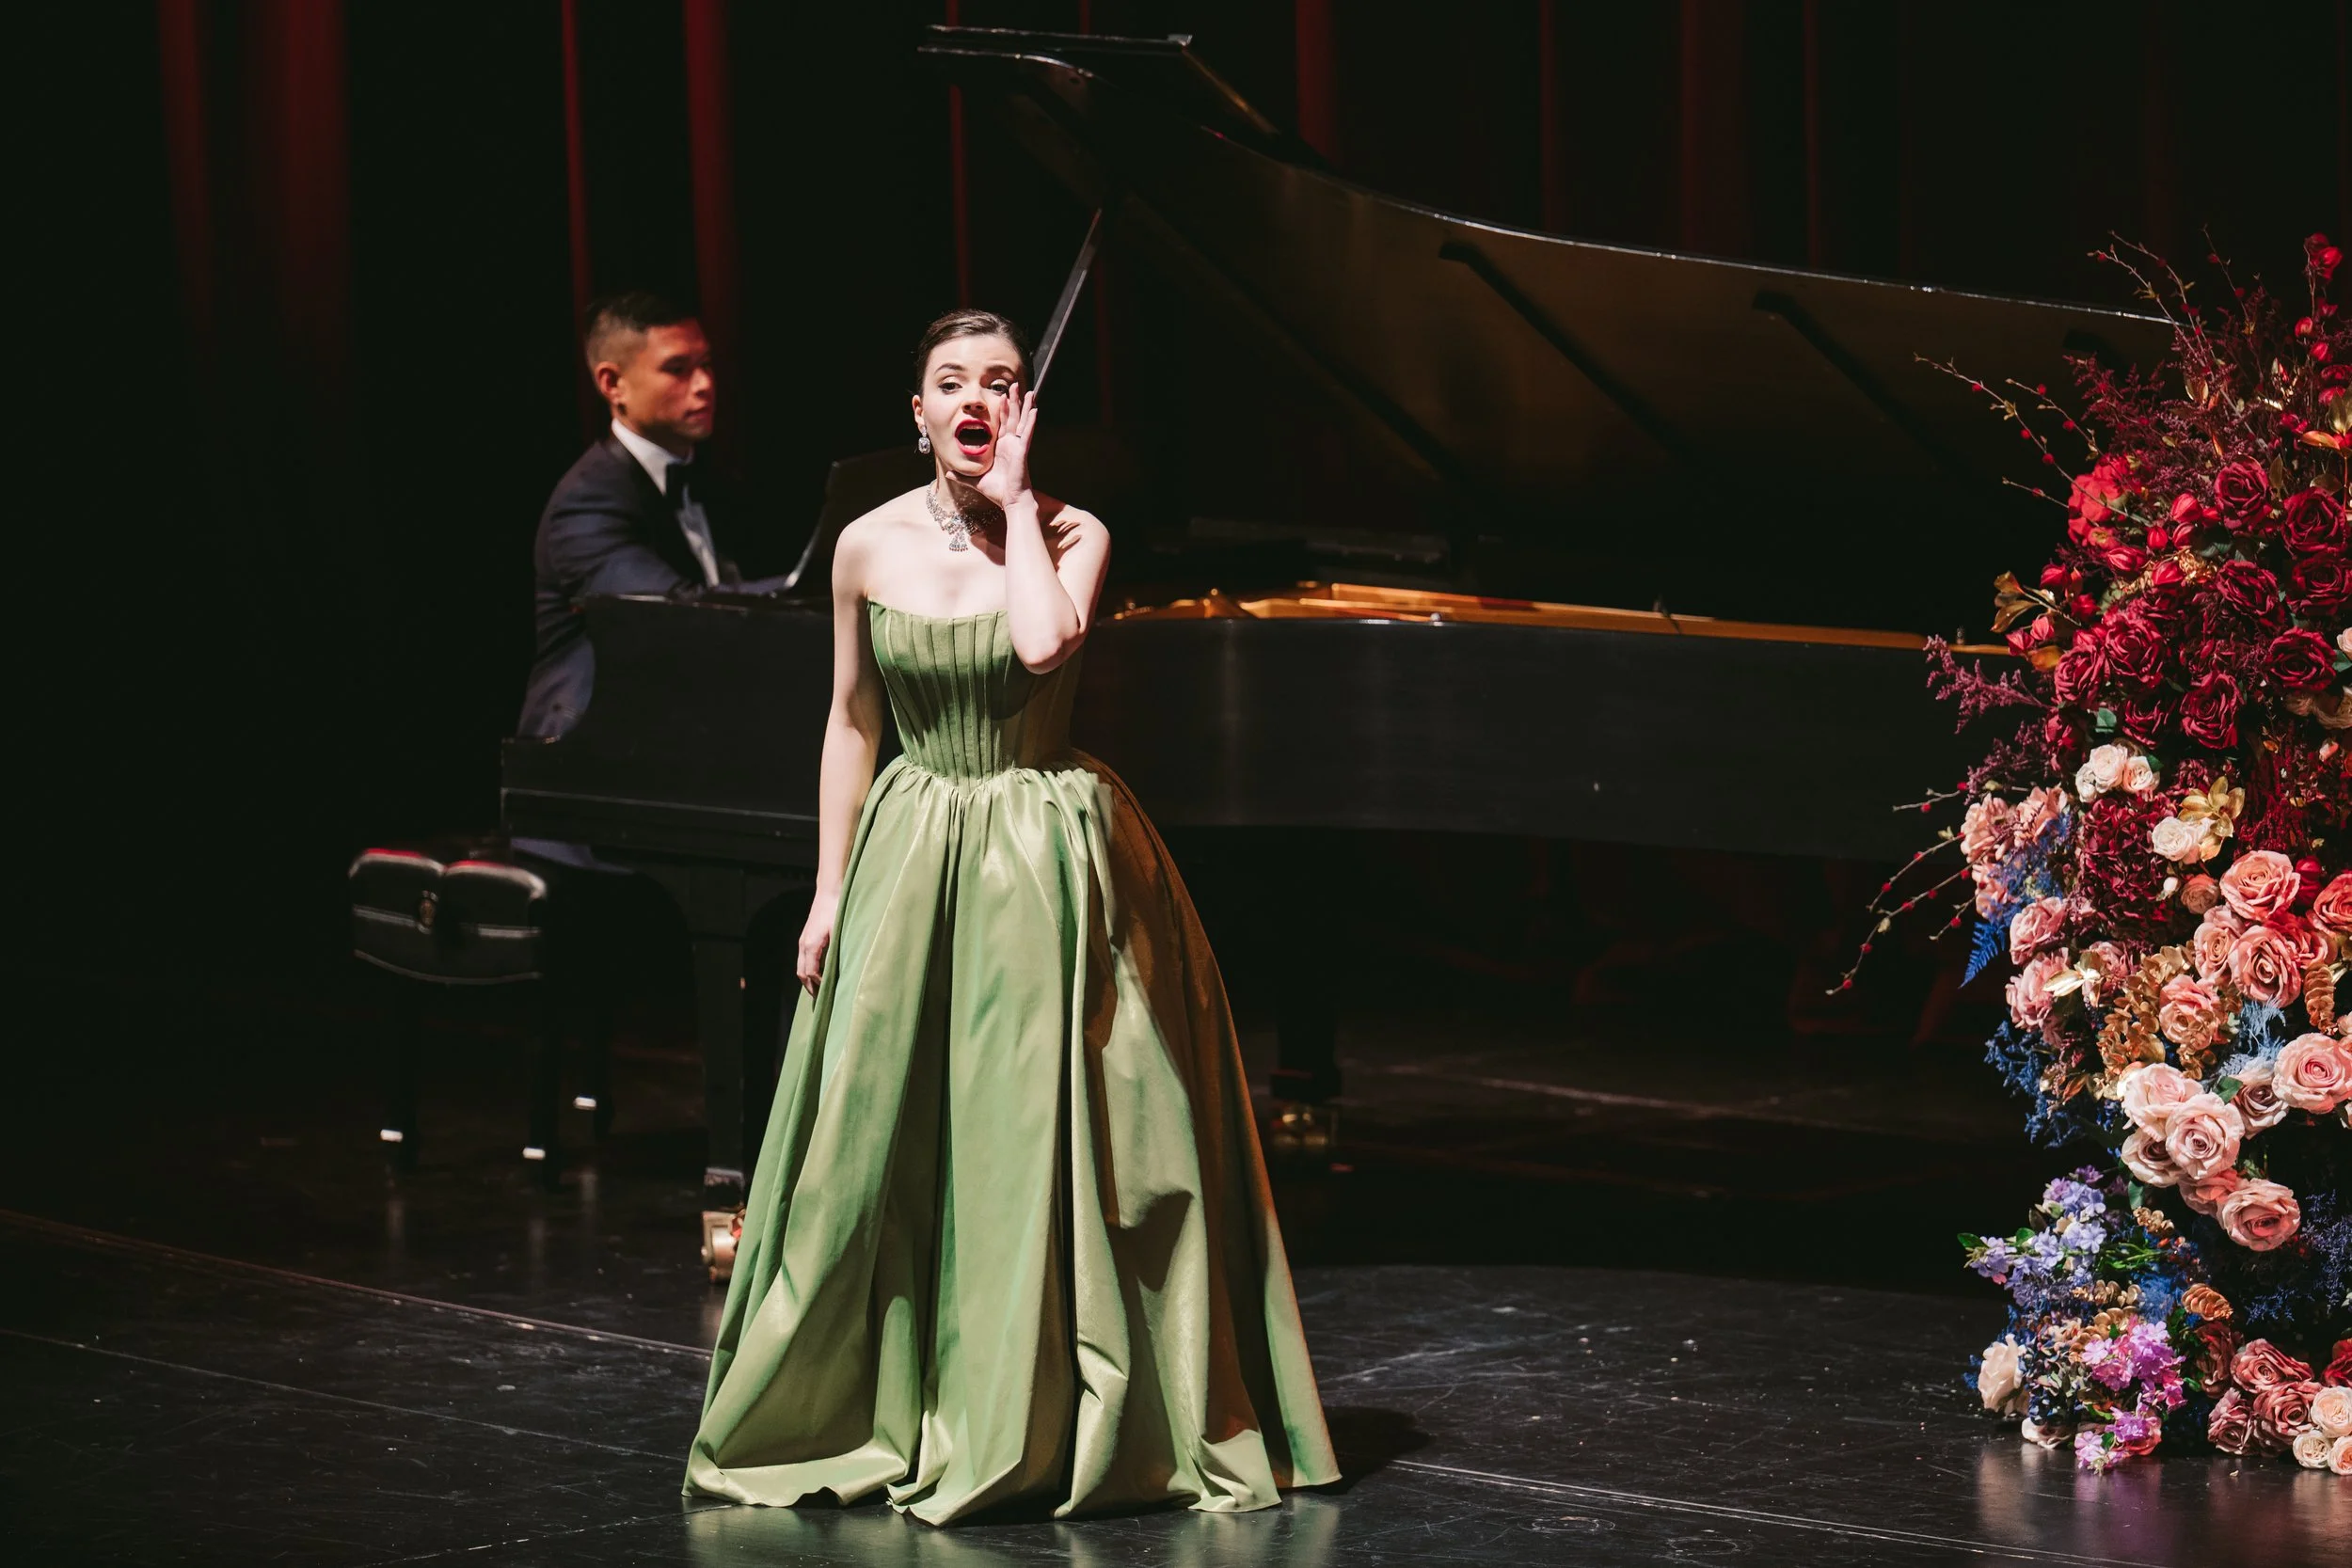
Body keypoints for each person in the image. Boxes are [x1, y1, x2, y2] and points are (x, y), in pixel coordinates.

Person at [683, 309, 1338, 1522]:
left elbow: (1041, 644)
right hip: (913, 849)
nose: (974, 399)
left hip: (1041, 855)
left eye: (1000, 382)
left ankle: (1034, 1410)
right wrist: (827, 888)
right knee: (882, 1140)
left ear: (1023, 412)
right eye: (952, 382)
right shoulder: (866, 544)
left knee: (1042, 1135)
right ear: (918, 412)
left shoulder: (1075, 533)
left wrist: (1020, 504)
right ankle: (883, 1395)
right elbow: (851, 719)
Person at [518, 291, 754, 742]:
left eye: (706, 364)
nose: (705, 383)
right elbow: (676, 614)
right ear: (613, 384)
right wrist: (819, 584)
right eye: (677, 369)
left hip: (680, 726)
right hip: (585, 749)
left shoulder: (713, 479)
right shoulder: (585, 500)